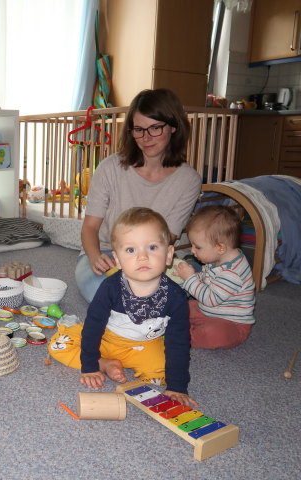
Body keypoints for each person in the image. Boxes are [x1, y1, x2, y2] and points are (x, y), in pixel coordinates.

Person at [75, 88, 201, 304]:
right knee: (103, 293)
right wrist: (95, 257)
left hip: (152, 254)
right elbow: (90, 227)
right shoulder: (110, 167)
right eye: (139, 130)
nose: (146, 138)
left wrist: (140, 265)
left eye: (155, 128)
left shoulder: (189, 180)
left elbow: (166, 238)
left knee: (190, 285)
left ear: (173, 127)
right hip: (108, 251)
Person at [80, 207, 197, 408]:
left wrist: (177, 386)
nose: (142, 257)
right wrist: (90, 366)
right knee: (62, 344)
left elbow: (178, 342)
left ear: (169, 254)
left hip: (145, 344)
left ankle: (112, 362)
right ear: (117, 260)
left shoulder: (176, 297)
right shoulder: (110, 288)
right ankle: (103, 362)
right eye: (131, 250)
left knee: (162, 370)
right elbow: (93, 327)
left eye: (152, 247)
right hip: (109, 339)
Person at [176, 205, 255, 349]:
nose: (192, 251)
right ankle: (174, 323)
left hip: (231, 324)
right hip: (207, 310)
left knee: (213, 333)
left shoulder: (233, 273)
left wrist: (190, 279)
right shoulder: (219, 259)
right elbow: (207, 279)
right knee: (181, 307)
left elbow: (210, 299)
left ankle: (183, 335)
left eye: (197, 247)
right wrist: (190, 277)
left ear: (220, 248)